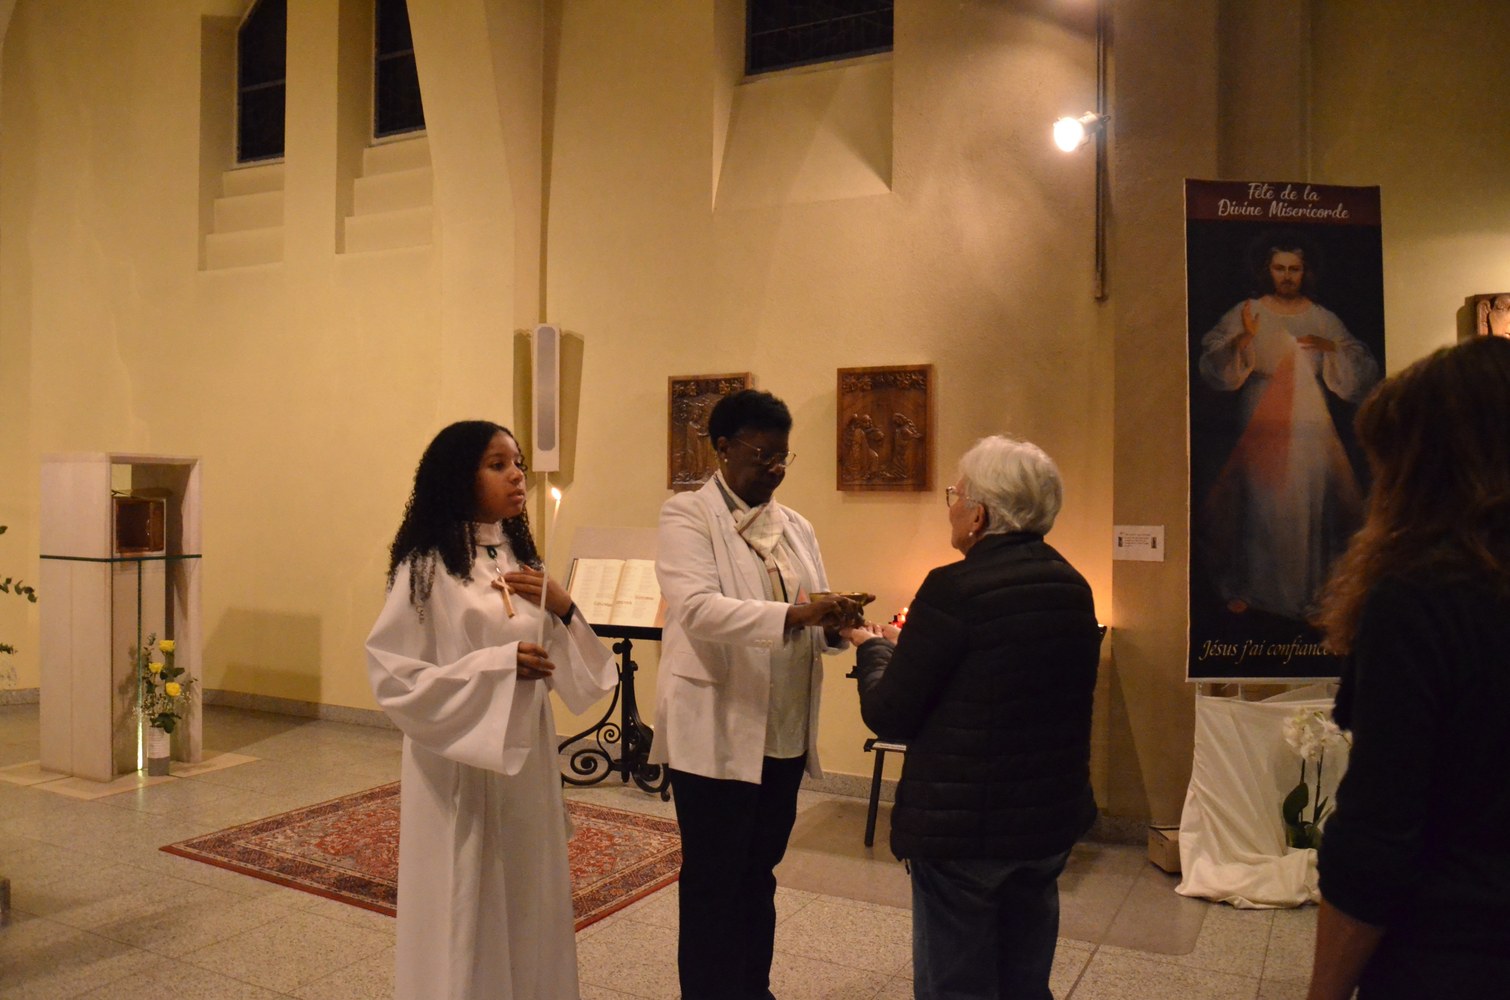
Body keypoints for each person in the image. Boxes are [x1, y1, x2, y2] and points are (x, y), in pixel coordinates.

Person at [845, 436, 1102, 1000]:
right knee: (1024, 980)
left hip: (965, 828)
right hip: (1046, 818)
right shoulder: (1072, 585)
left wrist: (873, 648)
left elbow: (890, 714)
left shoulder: (954, 588)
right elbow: (1001, 680)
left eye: (955, 495)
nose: (952, 507)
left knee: (956, 985)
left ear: (979, 514)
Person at [366, 421, 616, 1000]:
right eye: (497, 464)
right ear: (461, 476)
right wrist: (498, 668)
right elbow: (394, 674)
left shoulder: (519, 558)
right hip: (461, 761)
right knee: (468, 896)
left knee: (527, 891)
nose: (517, 475)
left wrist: (564, 607)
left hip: (528, 760)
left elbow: (577, 674)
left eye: (518, 462)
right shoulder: (427, 566)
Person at [1306, 336, 1510, 999]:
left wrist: (1325, 991)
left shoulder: (1423, 598)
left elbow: (1378, 831)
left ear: (1427, 470)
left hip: (1455, 950)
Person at [649, 388, 859, 1000]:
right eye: (761, 454)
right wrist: (796, 615)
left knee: (759, 872)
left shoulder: (796, 527)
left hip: (782, 730)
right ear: (722, 447)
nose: (773, 468)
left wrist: (837, 624)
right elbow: (697, 608)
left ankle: (752, 990)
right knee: (714, 879)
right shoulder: (687, 515)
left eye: (782, 457)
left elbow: (814, 609)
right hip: (716, 727)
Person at [1197, 235, 1379, 620]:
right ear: (1268, 270)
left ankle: (1307, 591)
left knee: (1309, 498)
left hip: (1310, 417)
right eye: (1279, 268)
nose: (1287, 276)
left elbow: (1361, 369)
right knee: (1261, 500)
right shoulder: (1247, 311)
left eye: (1294, 269)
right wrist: (1244, 337)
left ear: (1305, 272)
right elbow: (1213, 362)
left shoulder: (1322, 317)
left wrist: (1328, 347)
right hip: (1262, 412)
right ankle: (1255, 588)